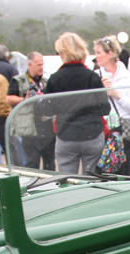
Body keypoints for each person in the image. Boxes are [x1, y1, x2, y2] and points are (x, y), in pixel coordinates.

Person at [43, 32, 109, 174]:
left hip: (66, 135)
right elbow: (105, 108)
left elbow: (47, 109)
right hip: (92, 134)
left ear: (62, 53)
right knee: (91, 179)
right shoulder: (92, 77)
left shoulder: (55, 79)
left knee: (67, 180)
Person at [95, 35, 130, 175]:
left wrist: (117, 95)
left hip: (124, 133)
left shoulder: (129, 77)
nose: (96, 56)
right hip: (101, 133)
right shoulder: (94, 77)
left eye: (99, 53)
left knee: (126, 173)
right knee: (102, 174)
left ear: (110, 53)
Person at [7, 52, 54, 170]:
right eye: (39, 65)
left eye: (42, 64)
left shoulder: (45, 81)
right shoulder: (19, 81)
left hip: (46, 125)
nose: (41, 67)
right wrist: (25, 99)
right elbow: (8, 98)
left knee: (50, 161)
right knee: (32, 162)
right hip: (29, 127)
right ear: (30, 65)